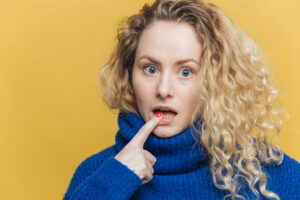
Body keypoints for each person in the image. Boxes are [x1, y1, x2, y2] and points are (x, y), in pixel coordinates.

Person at [63, 0, 300, 199]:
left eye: (186, 72)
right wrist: (114, 180)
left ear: (214, 80)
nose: (164, 90)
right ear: (128, 75)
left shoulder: (274, 178)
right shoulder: (96, 174)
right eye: (150, 69)